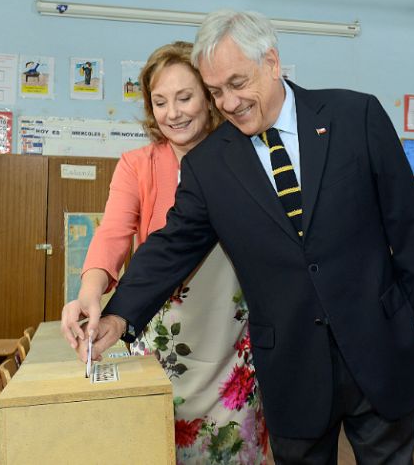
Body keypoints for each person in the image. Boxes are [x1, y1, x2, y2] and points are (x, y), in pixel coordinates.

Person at [62, 10, 414, 464]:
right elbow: (171, 245)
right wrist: (117, 315)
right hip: (293, 365)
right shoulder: (210, 165)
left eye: (237, 83)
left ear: (272, 62)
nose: (229, 102)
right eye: (216, 91)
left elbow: (405, 213)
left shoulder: (353, 114)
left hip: (379, 341)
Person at [64, 41, 267, 463]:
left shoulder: (245, 156)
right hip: (163, 327)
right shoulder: (137, 164)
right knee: (158, 443)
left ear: (210, 98)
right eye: (160, 102)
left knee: (231, 447)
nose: (172, 112)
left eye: (184, 97)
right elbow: (114, 234)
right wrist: (90, 289)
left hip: (230, 334)